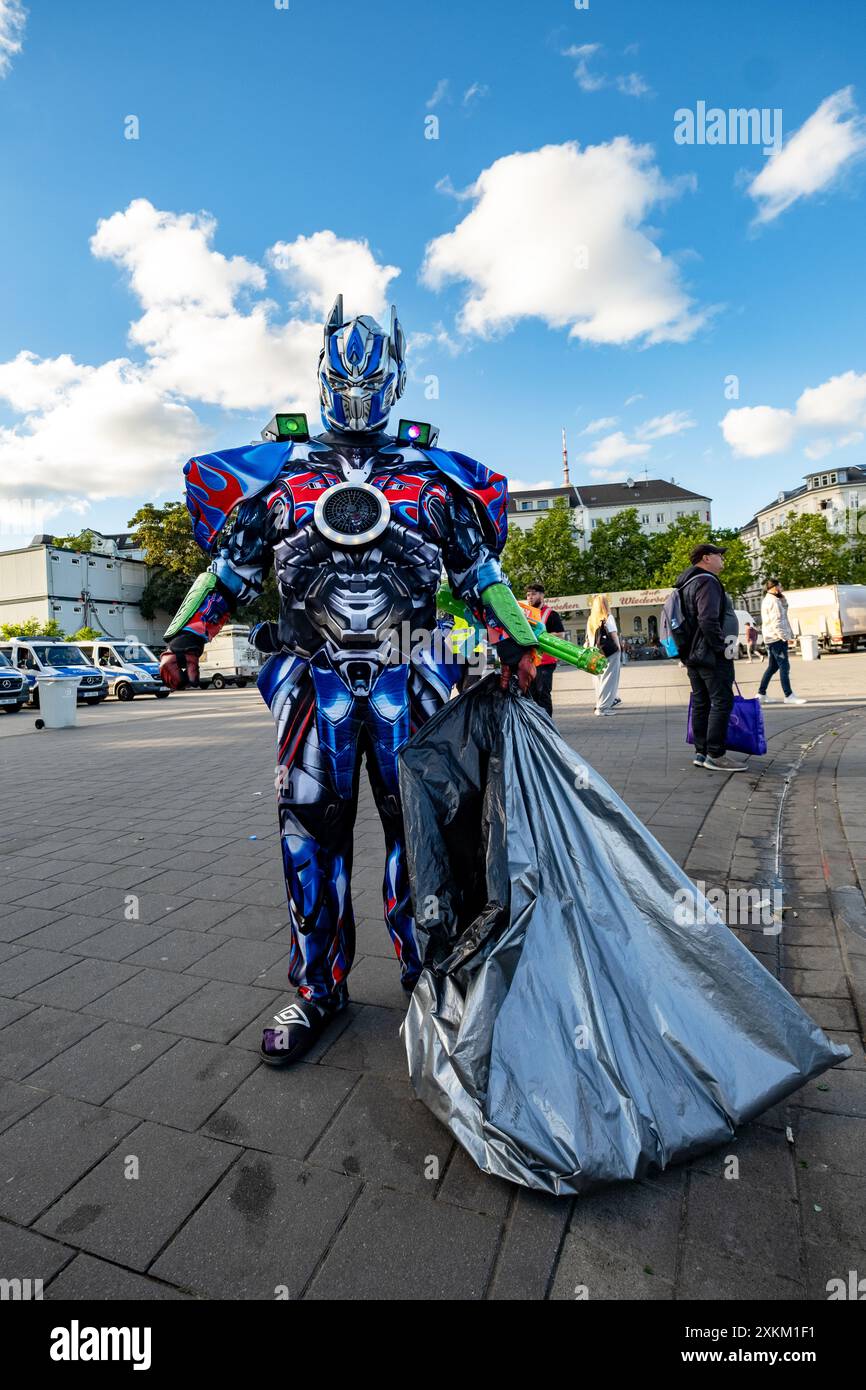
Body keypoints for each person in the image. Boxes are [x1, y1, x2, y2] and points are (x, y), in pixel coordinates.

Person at [159, 295, 543, 1066]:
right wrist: (185, 635)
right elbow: (228, 568)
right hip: (312, 678)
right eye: (346, 383)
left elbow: (478, 571)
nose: (359, 401)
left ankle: (431, 979)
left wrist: (516, 639)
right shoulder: (282, 476)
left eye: (372, 386)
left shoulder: (430, 477)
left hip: (413, 676)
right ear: (325, 377)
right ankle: (318, 988)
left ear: (395, 383)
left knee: (425, 840)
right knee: (308, 840)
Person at [674, 542, 747, 772]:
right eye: (719, 555)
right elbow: (707, 619)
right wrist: (720, 647)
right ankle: (716, 754)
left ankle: (701, 751)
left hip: (692, 654)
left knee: (701, 702)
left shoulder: (687, 582)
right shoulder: (707, 581)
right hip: (709, 654)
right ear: (706, 558)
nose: (722, 559)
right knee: (722, 701)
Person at [520, 582, 564, 717]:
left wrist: (539, 636)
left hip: (545, 662)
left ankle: (547, 726)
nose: (530, 597)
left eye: (533, 594)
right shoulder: (525, 615)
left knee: (543, 693)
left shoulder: (551, 614)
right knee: (531, 695)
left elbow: (560, 635)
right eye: (528, 595)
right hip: (529, 661)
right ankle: (536, 725)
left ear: (542, 595)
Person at [758, 580, 806, 705]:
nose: (782, 587)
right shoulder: (773, 602)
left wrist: (783, 599)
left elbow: (783, 612)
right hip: (776, 639)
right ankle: (788, 695)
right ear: (774, 588)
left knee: (773, 667)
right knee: (784, 666)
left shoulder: (772, 599)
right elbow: (777, 622)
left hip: (772, 638)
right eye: (780, 585)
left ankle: (761, 694)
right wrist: (784, 637)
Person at [585, 594, 621, 715]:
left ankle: (600, 704)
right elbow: (614, 634)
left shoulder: (591, 619)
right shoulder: (608, 617)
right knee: (609, 679)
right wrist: (619, 648)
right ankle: (603, 707)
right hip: (609, 652)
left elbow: (589, 638)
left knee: (598, 679)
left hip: (594, 653)